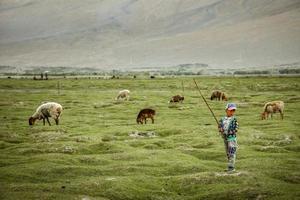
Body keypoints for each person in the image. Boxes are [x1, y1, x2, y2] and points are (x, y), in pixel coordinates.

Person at [218, 103, 239, 173]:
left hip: (232, 139)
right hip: (225, 139)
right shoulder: (222, 119)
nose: (232, 112)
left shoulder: (234, 119)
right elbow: (220, 126)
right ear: (226, 110)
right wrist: (220, 129)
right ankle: (229, 166)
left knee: (232, 152)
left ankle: (231, 167)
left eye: (233, 110)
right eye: (230, 110)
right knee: (227, 152)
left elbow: (235, 129)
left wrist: (228, 133)